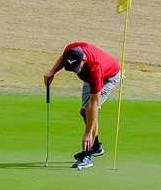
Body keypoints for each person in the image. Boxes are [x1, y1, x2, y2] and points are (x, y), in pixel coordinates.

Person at [44, 40, 122, 170]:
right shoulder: (71, 50)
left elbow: (94, 104)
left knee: (89, 111)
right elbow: (64, 59)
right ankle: (96, 147)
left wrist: (87, 133)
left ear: (83, 60)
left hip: (109, 77)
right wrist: (52, 72)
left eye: (77, 68)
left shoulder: (96, 69)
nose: (75, 72)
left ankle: (87, 155)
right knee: (83, 112)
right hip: (88, 77)